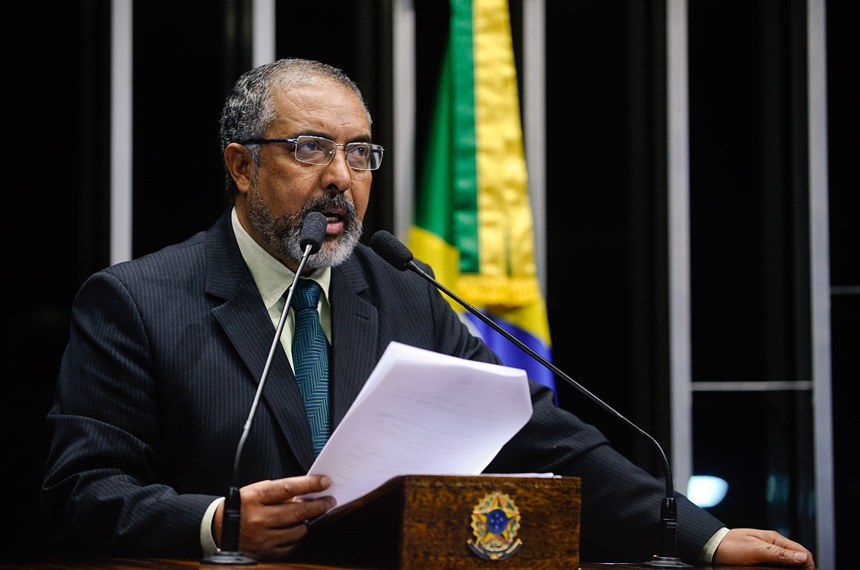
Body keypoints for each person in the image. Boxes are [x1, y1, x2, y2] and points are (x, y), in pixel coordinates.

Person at [41, 58, 815, 568]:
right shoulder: (139, 301)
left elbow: (538, 435)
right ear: (242, 166)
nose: (341, 177)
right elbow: (80, 494)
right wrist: (215, 521)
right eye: (310, 148)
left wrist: (704, 539)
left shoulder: (403, 291)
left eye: (360, 152)